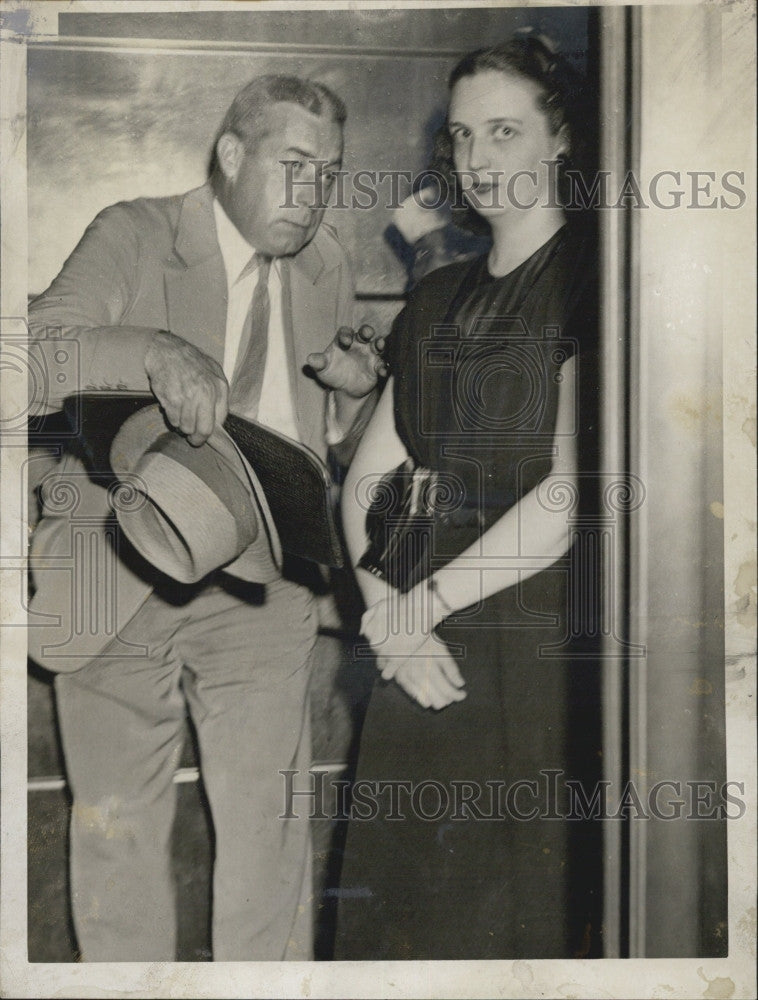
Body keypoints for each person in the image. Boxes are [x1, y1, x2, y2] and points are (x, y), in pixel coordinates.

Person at [27, 74, 385, 962]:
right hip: (116, 571)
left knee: (271, 851)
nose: (311, 196)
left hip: (262, 593)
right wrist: (152, 350)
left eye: (328, 174)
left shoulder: (329, 263)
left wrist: (357, 396)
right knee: (117, 845)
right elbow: (29, 357)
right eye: (292, 165)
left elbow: (333, 448)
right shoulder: (138, 232)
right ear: (231, 155)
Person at [333, 36, 601, 959]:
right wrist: (387, 618)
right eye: (461, 136)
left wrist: (421, 608)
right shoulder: (437, 294)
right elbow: (372, 477)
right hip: (418, 638)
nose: (478, 161)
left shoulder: (603, 281)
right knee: (403, 915)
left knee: (517, 916)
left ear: (559, 137)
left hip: (537, 642)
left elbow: (569, 496)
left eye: (503, 131)